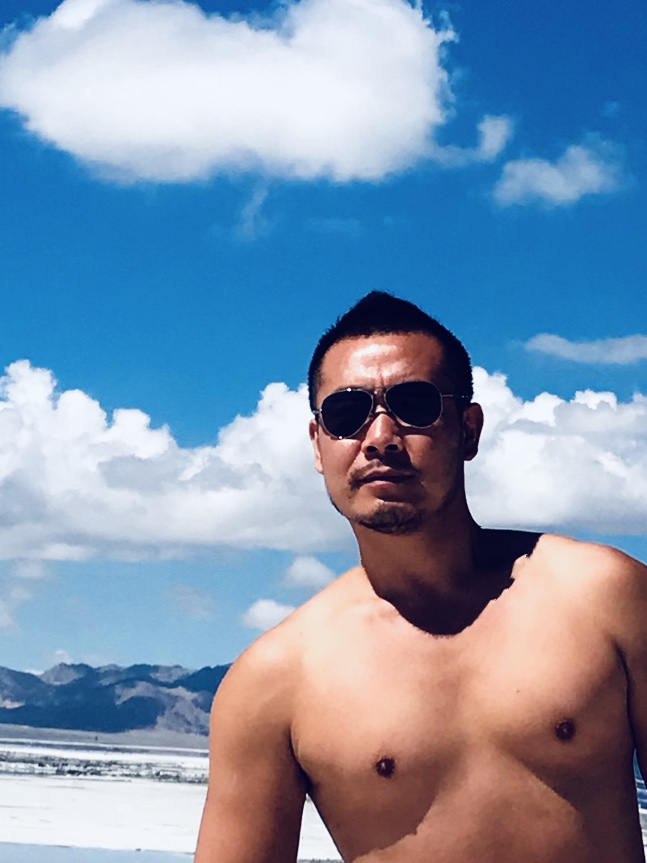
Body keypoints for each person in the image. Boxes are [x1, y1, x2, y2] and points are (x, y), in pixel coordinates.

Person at [194, 291, 647, 863]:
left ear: (469, 429)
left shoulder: (603, 596)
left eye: (414, 405)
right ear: (318, 445)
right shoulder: (273, 681)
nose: (380, 437)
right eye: (346, 415)